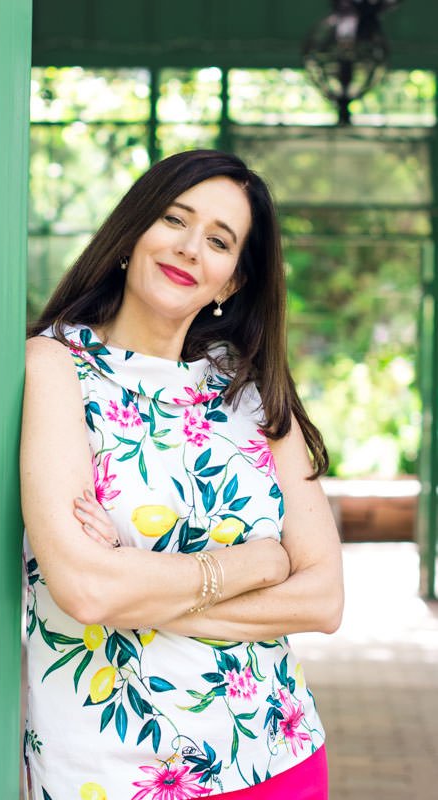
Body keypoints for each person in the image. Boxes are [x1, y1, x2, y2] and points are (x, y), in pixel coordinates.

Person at [20, 149, 344, 800]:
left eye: (219, 240)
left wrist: (137, 591)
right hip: (109, 773)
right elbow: (87, 592)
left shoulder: (253, 391)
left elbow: (322, 600)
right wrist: (259, 564)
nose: (191, 247)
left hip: (275, 754)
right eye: (174, 219)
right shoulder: (53, 368)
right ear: (133, 232)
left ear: (230, 282)